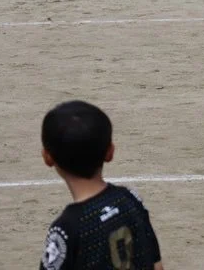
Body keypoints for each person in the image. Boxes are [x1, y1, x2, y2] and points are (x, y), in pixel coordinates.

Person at [39, 100, 164, 270]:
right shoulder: (130, 199)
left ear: (47, 157)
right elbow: (157, 265)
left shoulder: (66, 229)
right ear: (110, 152)